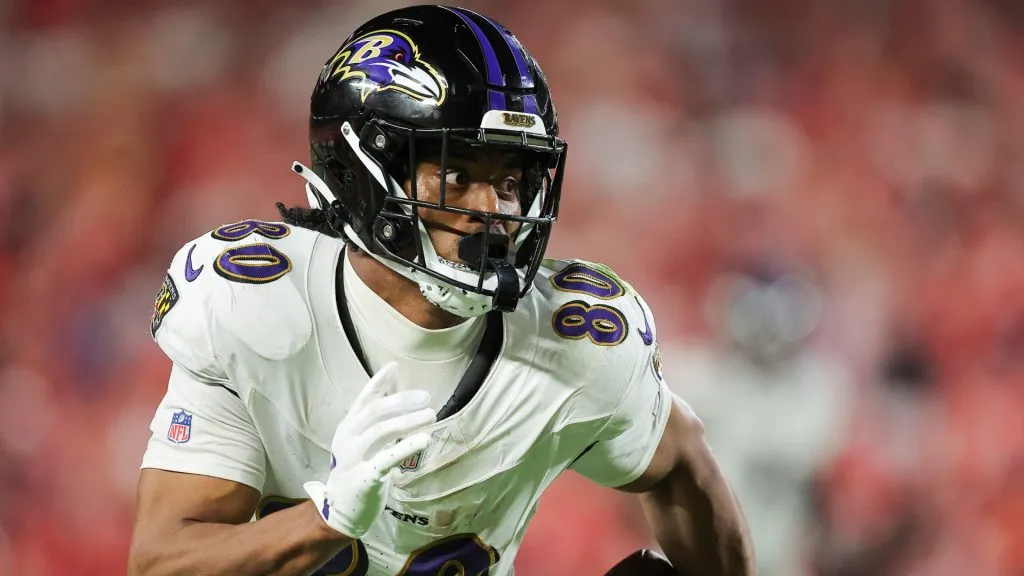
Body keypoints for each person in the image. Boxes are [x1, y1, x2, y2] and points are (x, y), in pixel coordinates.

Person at [128, 5, 754, 576]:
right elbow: (163, 563)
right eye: (458, 175)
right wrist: (324, 518)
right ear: (360, 176)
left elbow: (680, 464)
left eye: (512, 181)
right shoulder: (255, 306)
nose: (496, 210)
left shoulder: (576, 338)